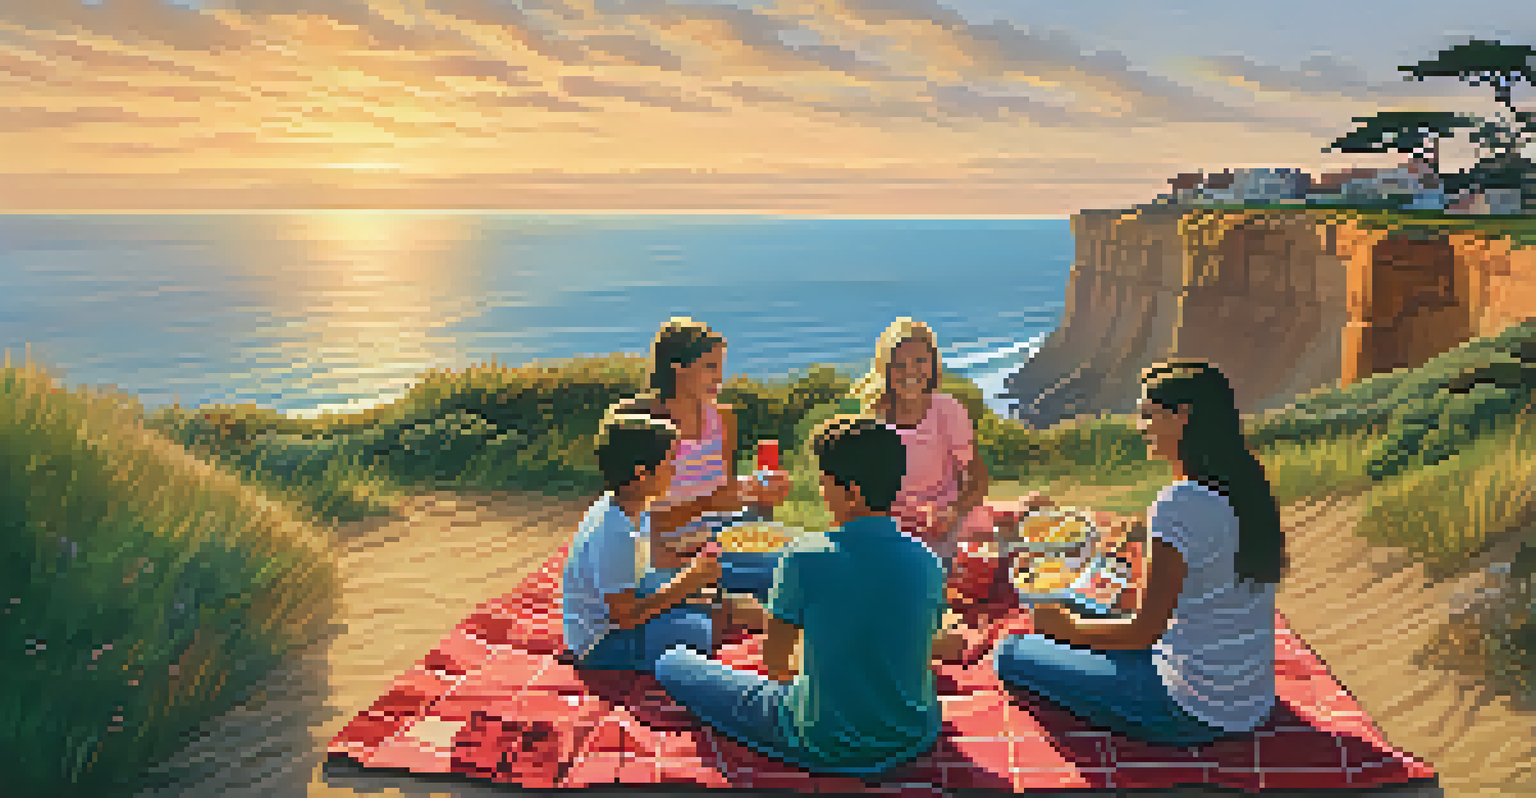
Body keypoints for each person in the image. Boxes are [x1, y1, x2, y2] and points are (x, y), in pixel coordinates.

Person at [990, 360, 1286, 746]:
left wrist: (1066, 630)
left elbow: (1143, 631)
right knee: (1085, 605)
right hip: (1251, 700)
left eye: (1148, 414)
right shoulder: (1246, 486)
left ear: (1182, 417)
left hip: (1189, 708)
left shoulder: (1178, 503)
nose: (1139, 425)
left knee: (1010, 652)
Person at [653, 416, 947, 777]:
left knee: (671, 663)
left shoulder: (803, 557)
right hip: (915, 735)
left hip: (824, 739)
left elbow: (775, 666)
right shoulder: (928, 562)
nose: (822, 494)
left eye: (825, 484)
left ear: (851, 492)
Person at [612, 318, 792, 632]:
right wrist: (709, 504)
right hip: (662, 547)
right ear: (678, 368)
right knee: (772, 579)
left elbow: (730, 499)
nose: (720, 379)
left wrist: (763, 499)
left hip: (719, 537)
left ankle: (727, 599)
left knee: (800, 562)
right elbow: (630, 520)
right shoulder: (640, 423)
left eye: (720, 367)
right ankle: (722, 602)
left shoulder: (722, 418)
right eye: (710, 367)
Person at [562, 412, 725, 673]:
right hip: (601, 641)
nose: (675, 469)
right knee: (698, 631)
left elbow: (642, 572)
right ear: (641, 473)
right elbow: (624, 616)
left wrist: (689, 584)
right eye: (669, 462)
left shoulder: (633, 508)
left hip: (621, 607)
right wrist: (688, 583)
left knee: (704, 603)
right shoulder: (613, 531)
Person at [850, 318, 994, 566]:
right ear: (884, 368)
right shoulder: (871, 419)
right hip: (894, 524)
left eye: (919, 361)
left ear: (933, 364)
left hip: (948, 517)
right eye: (900, 364)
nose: (911, 371)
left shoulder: (948, 408)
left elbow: (977, 477)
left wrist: (953, 512)